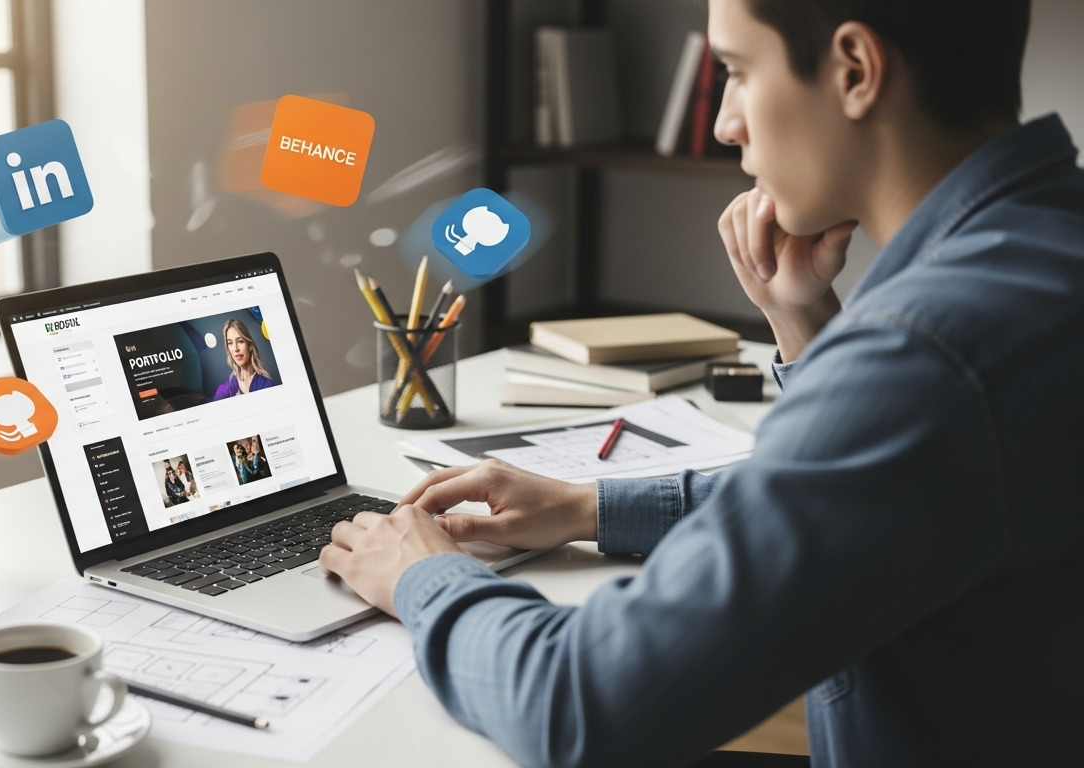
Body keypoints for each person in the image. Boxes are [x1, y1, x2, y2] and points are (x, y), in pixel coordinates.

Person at [319, 0, 1084, 765]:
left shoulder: (929, 352)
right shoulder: (1045, 248)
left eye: (738, 72)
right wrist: (590, 507)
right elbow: (895, 495)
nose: (724, 123)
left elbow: (579, 705)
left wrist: (422, 575)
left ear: (855, 71)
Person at [211, 318, 276, 400]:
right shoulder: (230, 383)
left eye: (240, 341)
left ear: (250, 345)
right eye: (230, 343)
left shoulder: (265, 384)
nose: (235, 348)